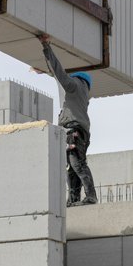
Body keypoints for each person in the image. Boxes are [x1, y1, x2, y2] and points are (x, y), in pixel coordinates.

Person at [37, 34, 97, 206]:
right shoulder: (83, 93)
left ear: (77, 78)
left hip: (73, 131)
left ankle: (90, 196)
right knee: (72, 167)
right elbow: (59, 78)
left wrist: (46, 48)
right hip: (80, 131)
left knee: (77, 164)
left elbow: (61, 75)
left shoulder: (74, 86)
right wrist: (47, 71)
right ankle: (73, 199)